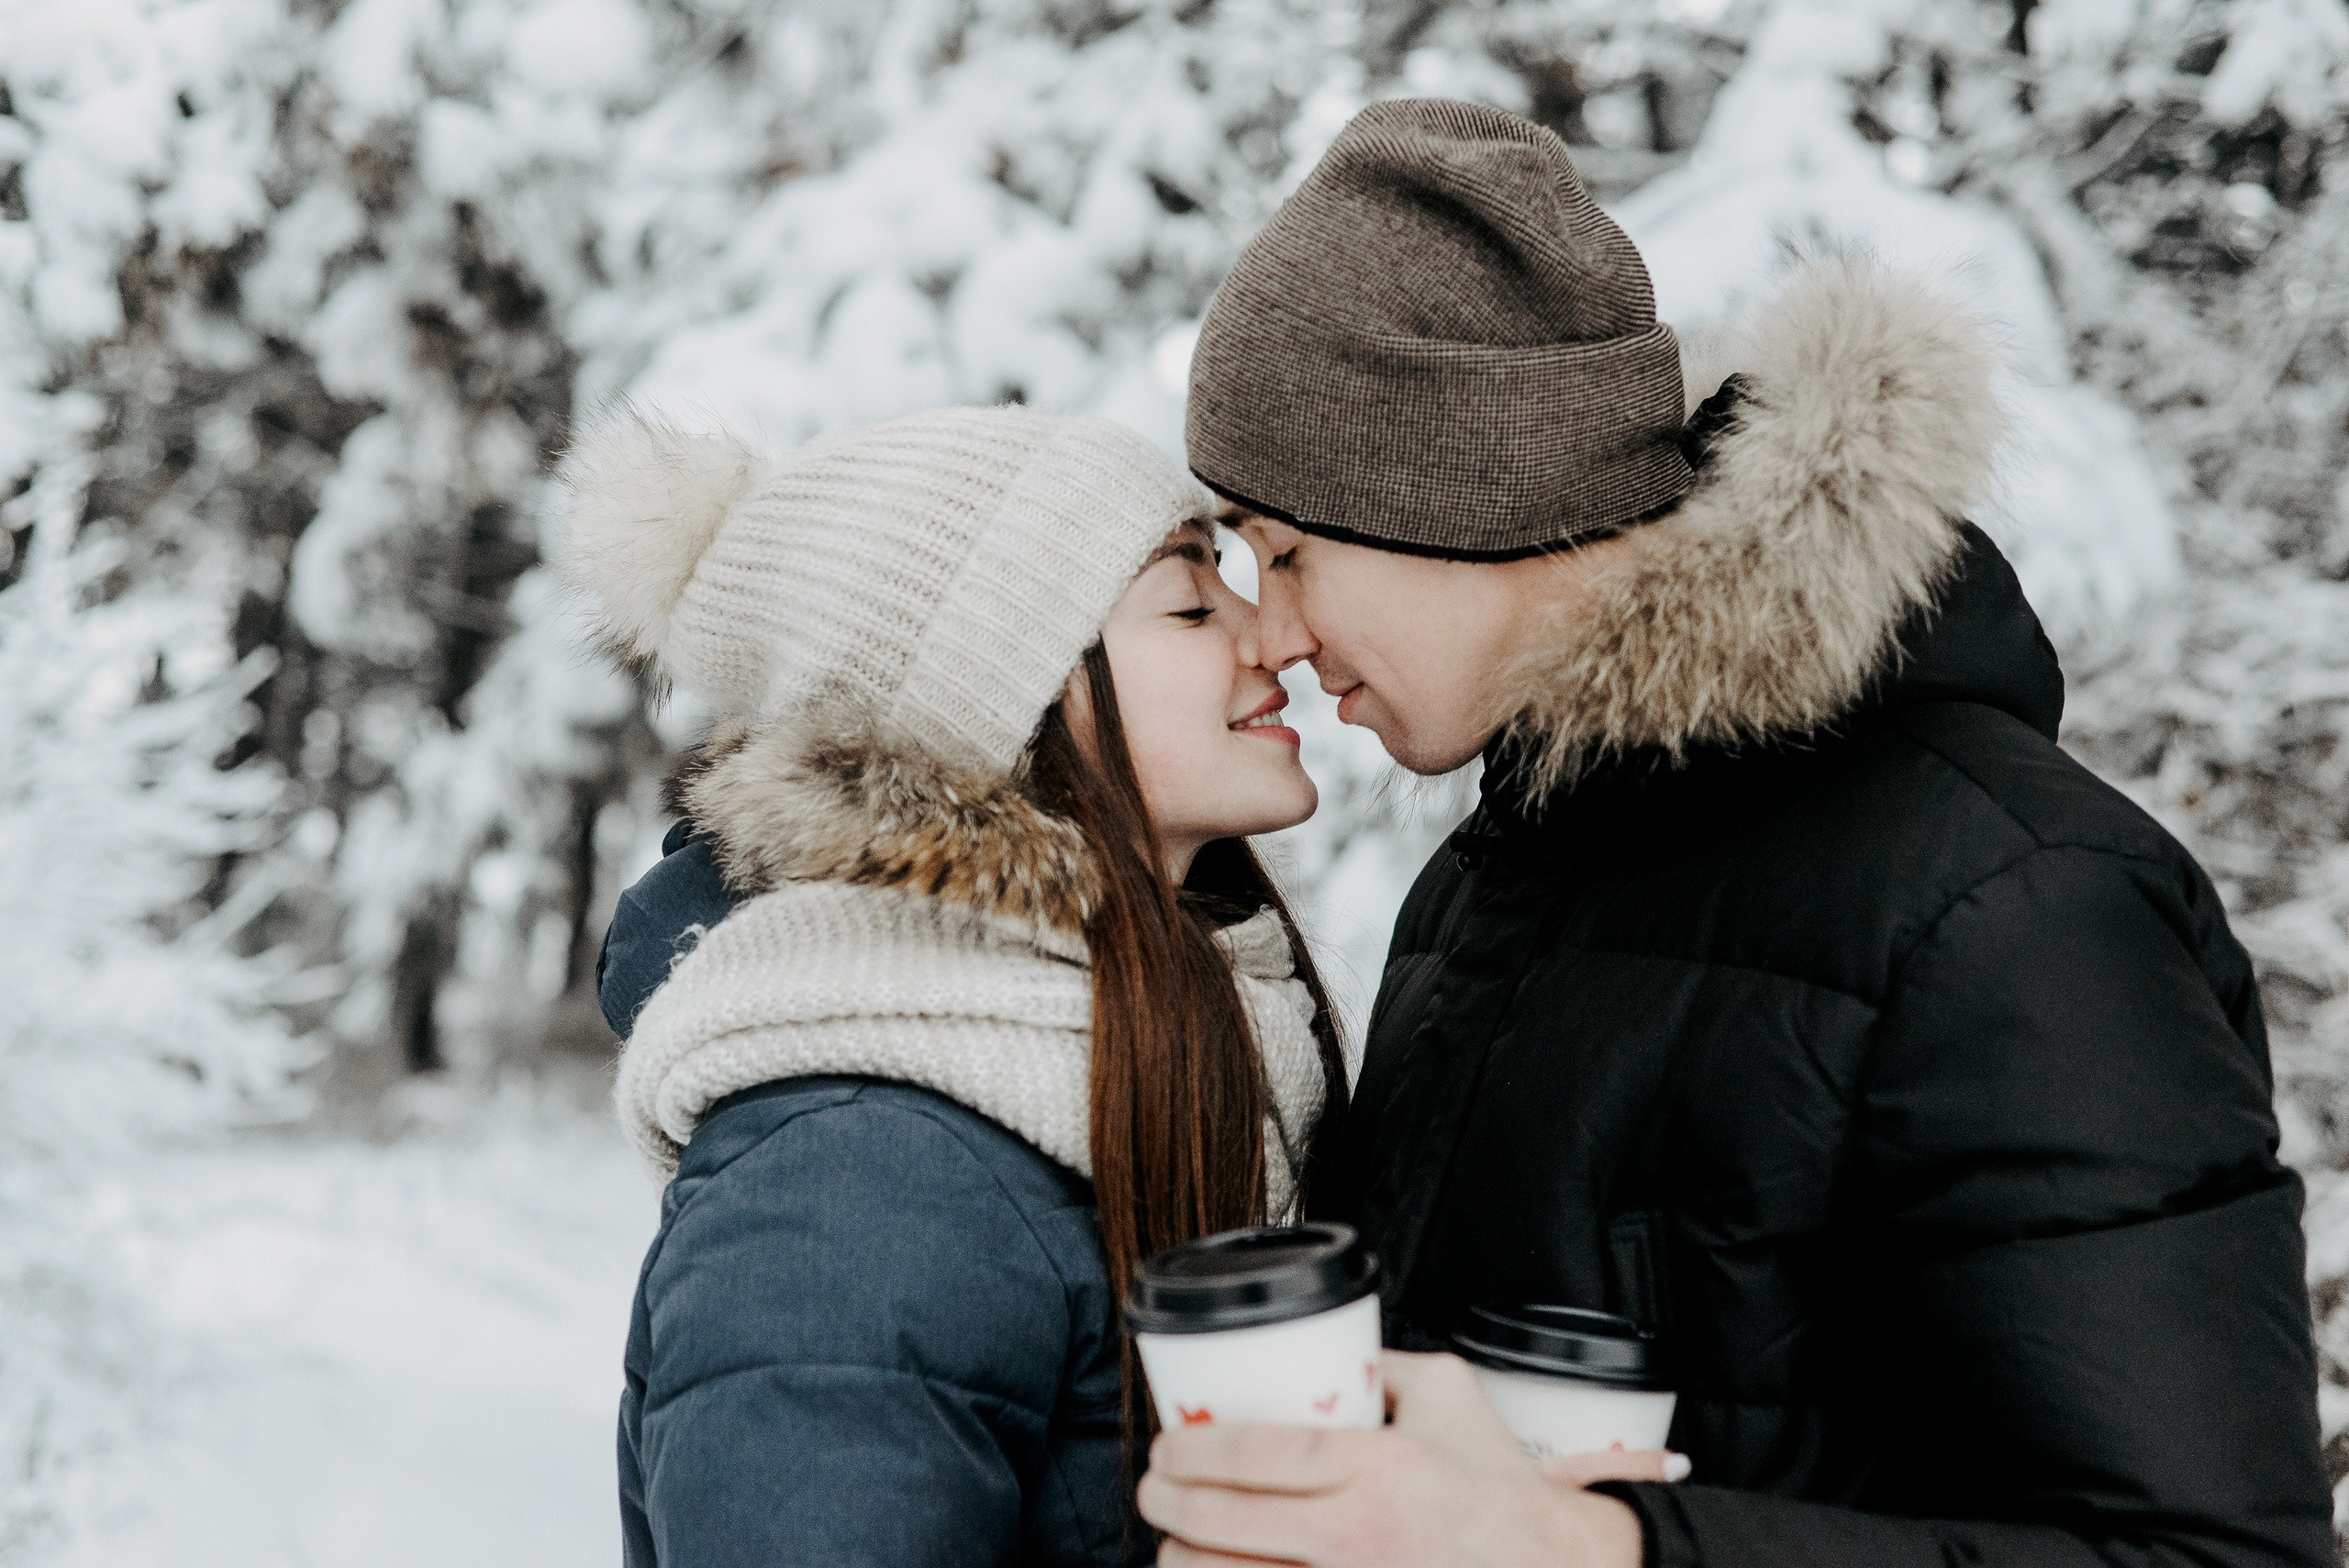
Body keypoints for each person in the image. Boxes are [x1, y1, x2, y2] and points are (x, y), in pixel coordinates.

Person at [1135, 99, 2332, 1568]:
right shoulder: (1488, 889)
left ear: (1456, 496)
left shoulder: (2015, 906)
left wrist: (1592, 1549)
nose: (1273, 632)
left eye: (1286, 551)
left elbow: (2213, 1555)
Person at [561, 406, 1358, 1567]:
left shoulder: (1174, 1043)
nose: (1270, 637)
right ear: (998, 703)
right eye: (1191, 603)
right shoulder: (855, 1180)